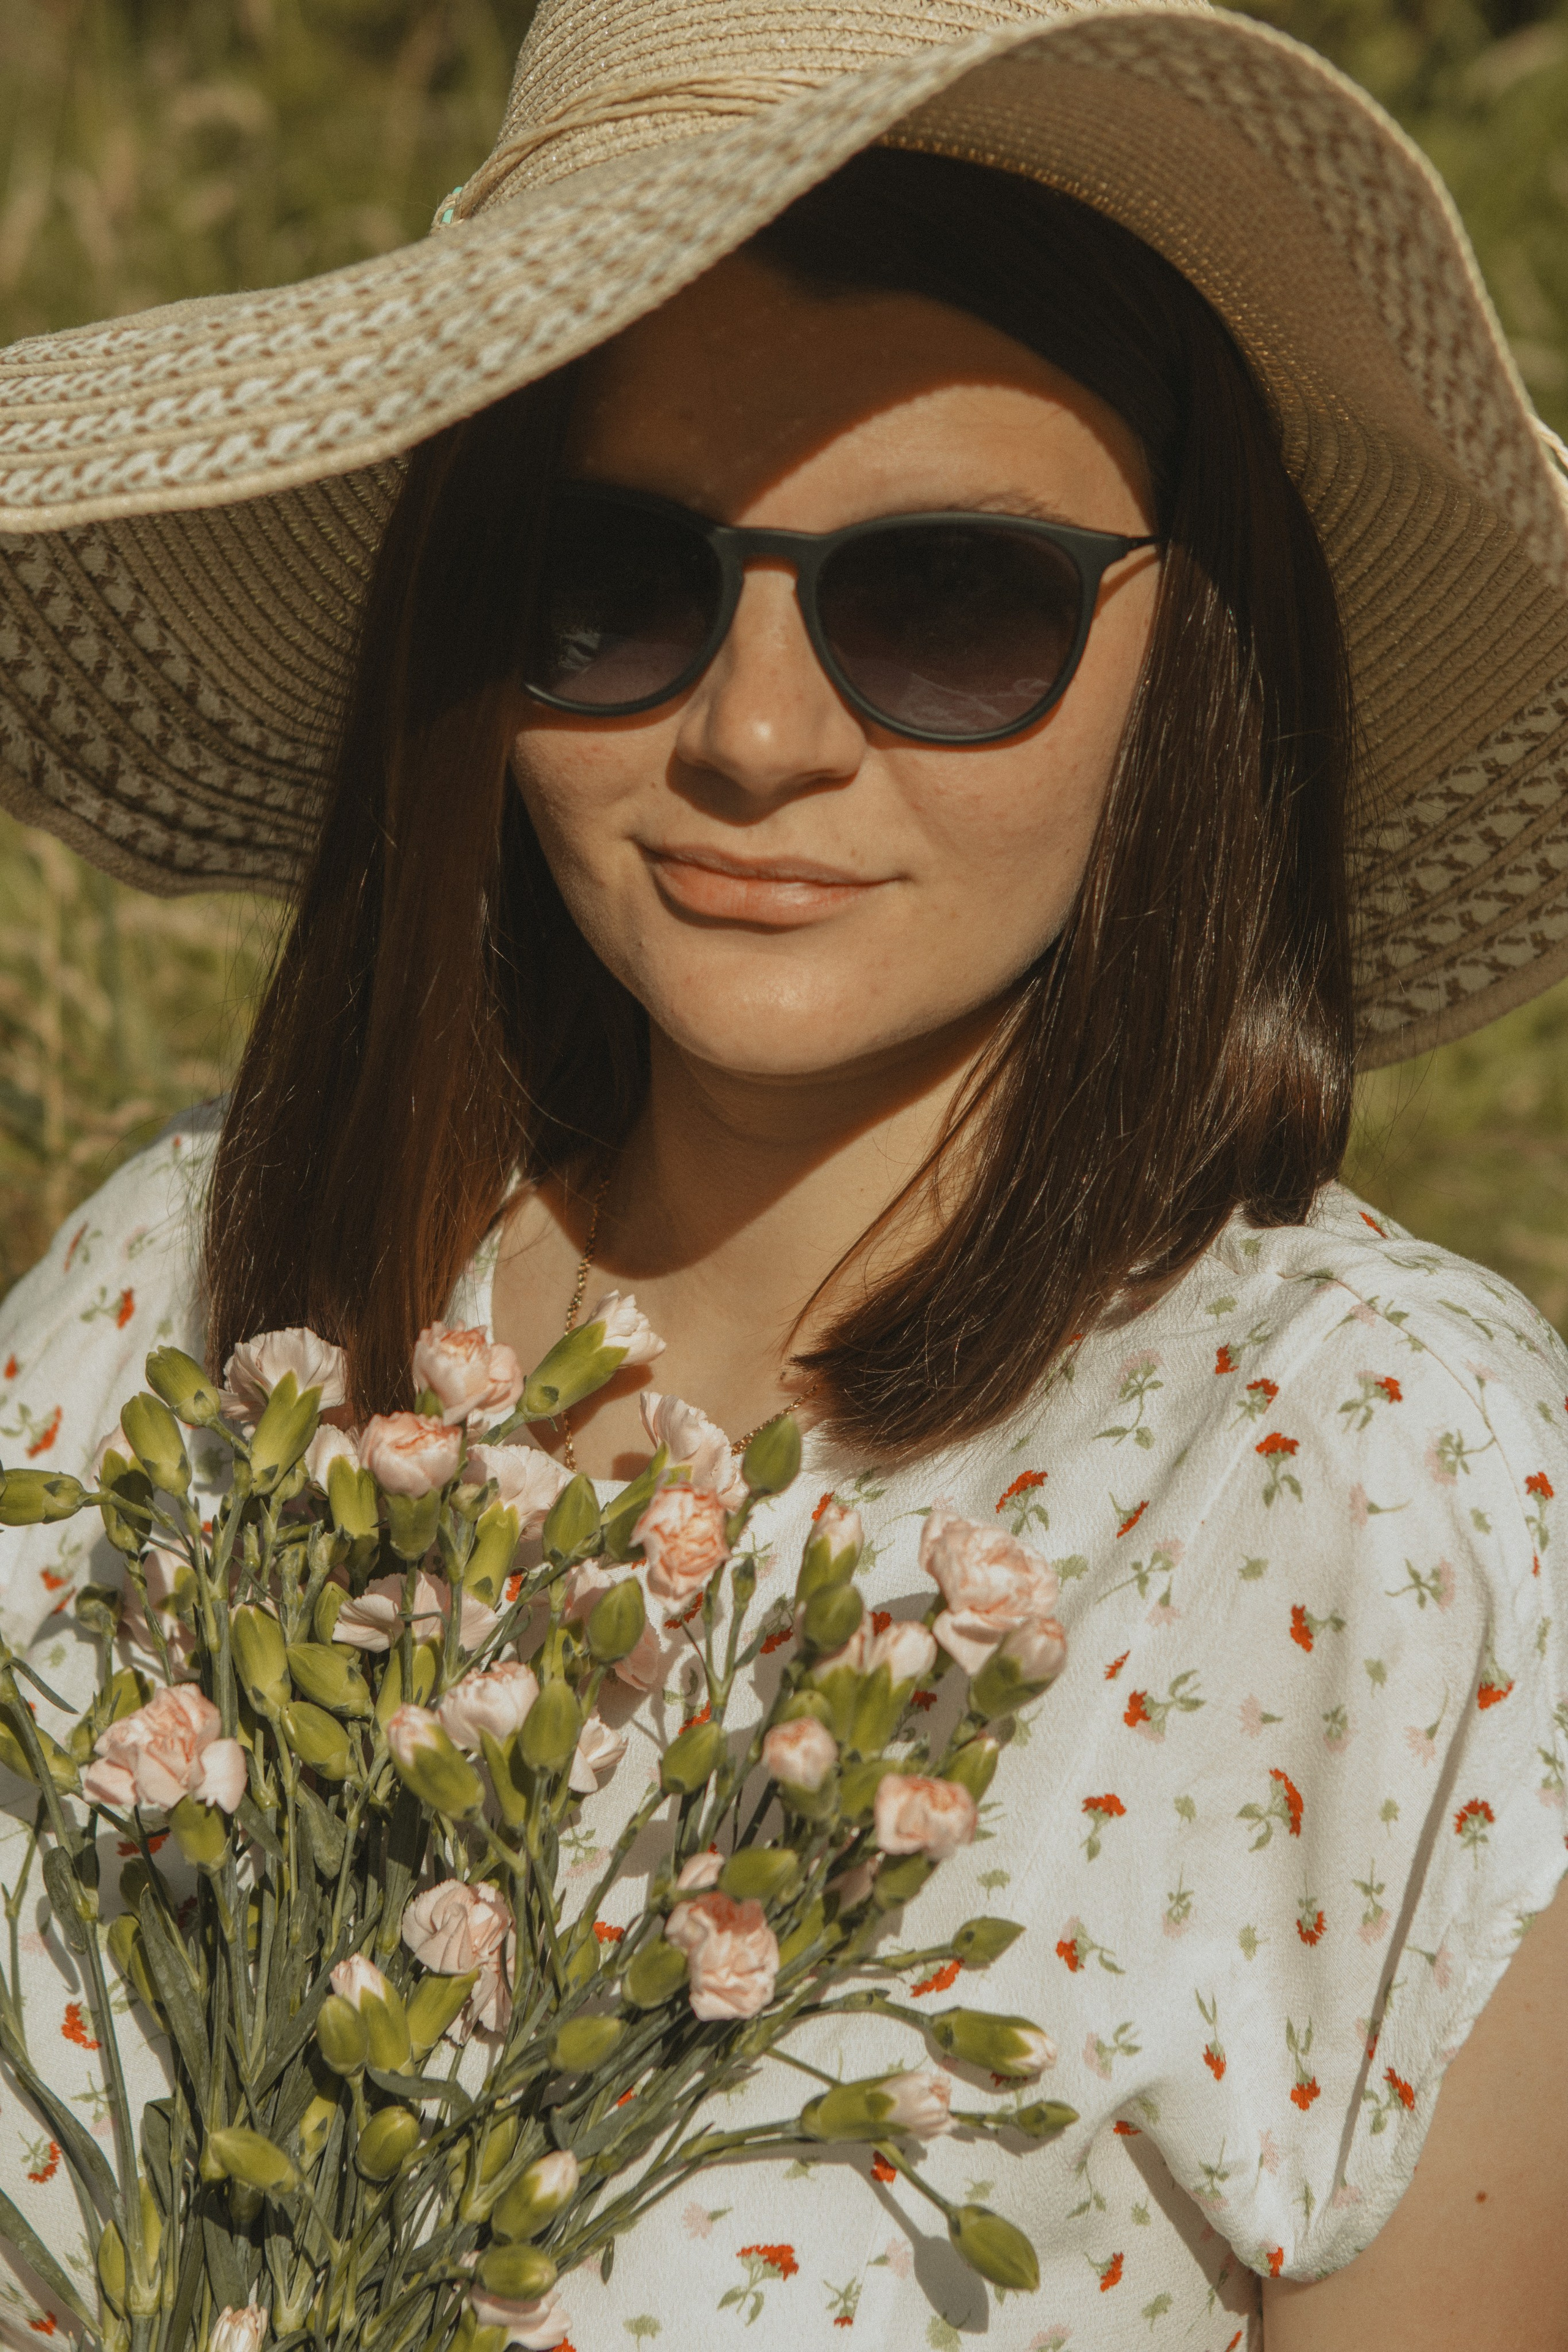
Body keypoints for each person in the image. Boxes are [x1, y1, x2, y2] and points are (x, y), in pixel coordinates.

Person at [0, 2, 1566, 2346]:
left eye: (951, 600)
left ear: (1194, 661)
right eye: (607, 582)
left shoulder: (1366, 1484)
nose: (752, 736)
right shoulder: (176, 1305)